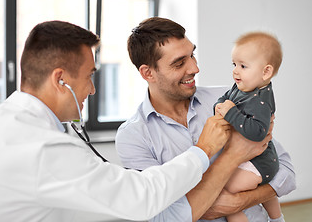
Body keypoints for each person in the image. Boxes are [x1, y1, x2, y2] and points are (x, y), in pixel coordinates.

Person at [0, 20, 271, 222]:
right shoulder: (42, 149)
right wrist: (206, 150)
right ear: (60, 80)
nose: (91, 89)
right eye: (90, 76)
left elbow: (280, 166)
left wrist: (241, 199)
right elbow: (145, 199)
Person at [115, 17, 296, 222]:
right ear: (148, 73)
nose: (194, 68)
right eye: (179, 63)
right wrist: (233, 154)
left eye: (192, 55)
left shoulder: (228, 99)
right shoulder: (133, 137)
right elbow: (163, 215)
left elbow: (287, 172)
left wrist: (240, 201)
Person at [214, 32, 284, 222]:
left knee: (227, 191)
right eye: (234, 64)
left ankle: (275, 218)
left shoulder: (260, 101)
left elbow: (258, 133)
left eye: (243, 66)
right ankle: (277, 218)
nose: (236, 71)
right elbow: (226, 98)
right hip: (253, 158)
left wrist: (231, 113)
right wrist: (219, 105)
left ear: (266, 72)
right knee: (260, 189)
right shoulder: (242, 86)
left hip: (260, 161)